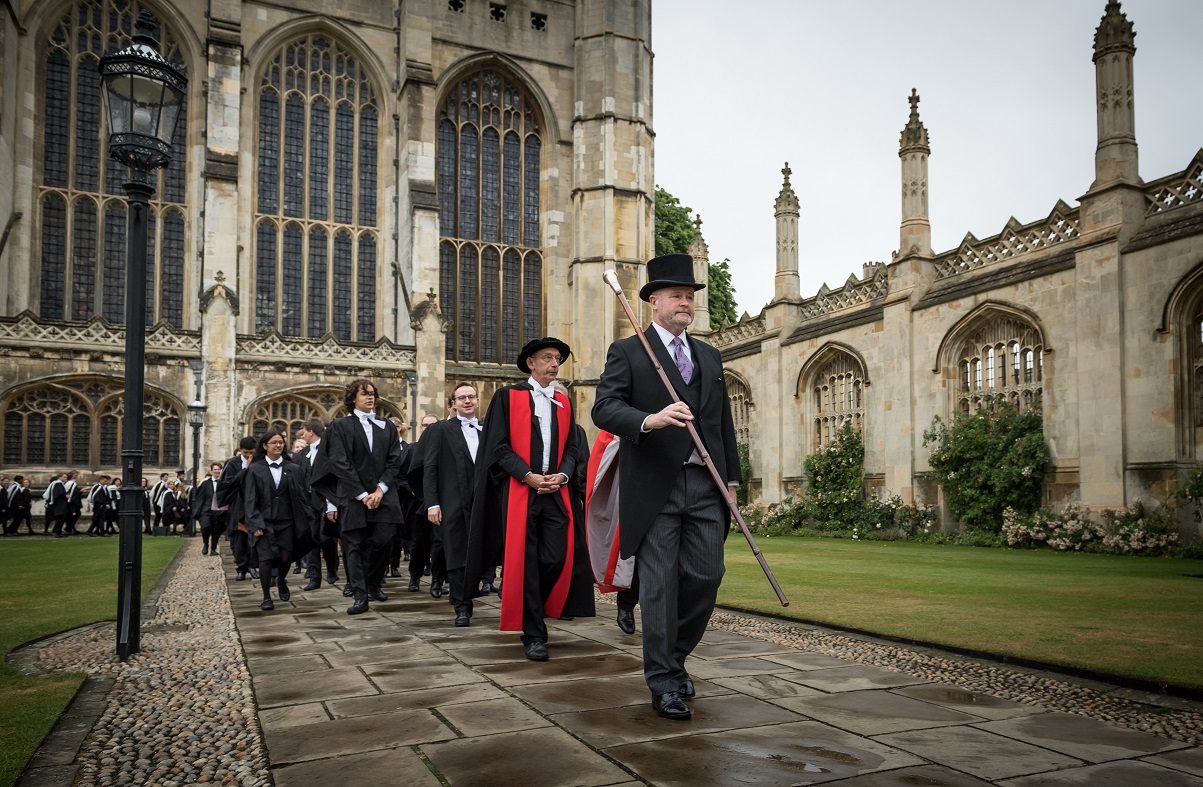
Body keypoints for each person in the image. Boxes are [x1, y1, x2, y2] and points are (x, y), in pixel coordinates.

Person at [592, 253, 741, 721]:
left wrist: (732, 482)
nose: (686, 303)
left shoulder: (710, 356)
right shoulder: (629, 352)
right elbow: (604, 409)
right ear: (653, 301)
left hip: (706, 485)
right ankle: (663, 681)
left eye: (691, 296)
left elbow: (722, 425)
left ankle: (673, 660)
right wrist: (649, 420)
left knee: (706, 577)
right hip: (654, 487)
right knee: (657, 587)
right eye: (676, 295)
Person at [467, 338, 595, 660]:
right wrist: (527, 475)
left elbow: (571, 448)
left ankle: (543, 607)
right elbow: (497, 446)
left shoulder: (564, 402)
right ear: (531, 364)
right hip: (521, 492)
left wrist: (562, 476)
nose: (554, 364)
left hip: (555, 493)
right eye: (548, 358)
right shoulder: (507, 397)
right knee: (525, 562)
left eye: (558, 359)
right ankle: (534, 633)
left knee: (556, 557)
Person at [310, 379, 406, 615]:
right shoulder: (340, 426)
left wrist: (380, 490)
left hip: (383, 496)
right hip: (353, 497)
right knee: (354, 547)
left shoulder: (385, 426)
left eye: (373, 394)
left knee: (383, 542)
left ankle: (373, 584)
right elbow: (339, 463)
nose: (370, 397)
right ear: (353, 397)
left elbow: (395, 460)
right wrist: (363, 494)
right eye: (364, 394)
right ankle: (360, 595)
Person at [419, 384, 484, 626]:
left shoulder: (486, 430)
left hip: (482, 503)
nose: (467, 401)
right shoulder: (439, 430)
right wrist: (432, 503)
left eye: (471, 397)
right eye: (461, 398)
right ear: (453, 403)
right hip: (451, 501)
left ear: (477, 401)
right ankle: (462, 606)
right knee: (456, 554)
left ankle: (474, 591)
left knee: (480, 552)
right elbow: (430, 468)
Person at [243, 429, 312, 610]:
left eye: (280, 442)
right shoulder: (255, 470)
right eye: (274, 442)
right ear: (265, 446)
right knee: (265, 559)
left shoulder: (293, 469)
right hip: (263, 522)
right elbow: (250, 499)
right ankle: (266, 597)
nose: (278, 445)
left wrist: (307, 519)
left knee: (285, 557)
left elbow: (302, 497)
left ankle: (281, 580)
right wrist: (254, 524)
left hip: (287, 521)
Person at [296, 418, 340, 591]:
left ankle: (331, 569)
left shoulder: (329, 450)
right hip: (308, 504)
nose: (302, 435)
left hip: (326, 501)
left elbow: (333, 477)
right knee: (311, 539)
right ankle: (315, 577)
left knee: (327, 539)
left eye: (304, 431)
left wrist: (332, 503)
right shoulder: (303, 454)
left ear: (311, 432)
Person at [218, 437, 259, 580]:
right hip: (237, 506)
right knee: (238, 539)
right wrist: (245, 470)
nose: (249, 455)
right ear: (240, 450)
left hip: (254, 505)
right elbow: (227, 483)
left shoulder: (260, 462)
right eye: (246, 452)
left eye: (251, 452)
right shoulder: (232, 463)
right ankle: (241, 568)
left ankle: (253, 566)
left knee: (254, 537)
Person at [191, 463, 226, 555]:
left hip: (219, 511)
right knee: (205, 527)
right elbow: (199, 497)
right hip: (206, 510)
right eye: (215, 469)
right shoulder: (205, 483)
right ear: (211, 471)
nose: (217, 471)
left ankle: (213, 549)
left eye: (218, 469)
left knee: (216, 530)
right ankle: (205, 544)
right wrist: (197, 511)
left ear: (221, 470)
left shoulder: (224, 483)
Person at [45, 472, 69, 536]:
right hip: (59, 504)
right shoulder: (58, 484)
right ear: (59, 477)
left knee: (62, 517)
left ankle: (58, 531)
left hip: (60, 504)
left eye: (66, 477)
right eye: (64, 477)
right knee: (61, 517)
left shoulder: (60, 484)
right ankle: (55, 531)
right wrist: (65, 496)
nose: (65, 478)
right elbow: (59, 494)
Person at [64, 470, 83, 534]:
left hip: (74, 501)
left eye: (76, 475)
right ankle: (69, 528)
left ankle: (70, 527)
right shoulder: (70, 482)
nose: (76, 476)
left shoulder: (74, 482)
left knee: (76, 514)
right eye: (75, 474)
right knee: (72, 515)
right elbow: (67, 491)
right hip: (71, 502)